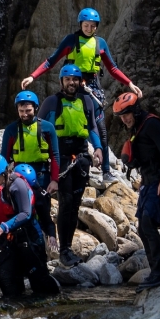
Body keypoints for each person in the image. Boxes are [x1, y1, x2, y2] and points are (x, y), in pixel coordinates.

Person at [21, 8, 142, 177]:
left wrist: (129, 83)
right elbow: (51, 61)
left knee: (100, 128)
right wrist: (33, 77)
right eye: (86, 25)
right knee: (69, 126)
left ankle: (106, 170)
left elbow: (112, 68)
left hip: (93, 87)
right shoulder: (71, 40)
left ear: (96, 27)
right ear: (80, 25)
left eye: (92, 26)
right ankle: (55, 163)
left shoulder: (100, 43)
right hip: (73, 85)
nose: (89, 28)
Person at [38, 65, 102, 268]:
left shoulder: (86, 101)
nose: (72, 83)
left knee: (75, 204)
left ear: (80, 81)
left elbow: (92, 127)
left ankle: (67, 247)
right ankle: (63, 251)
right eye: (68, 79)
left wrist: (98, 148)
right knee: (65, 204)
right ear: (61, 82)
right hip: (61, 158)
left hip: (82, 157)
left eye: (75, 79)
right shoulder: (52, 102)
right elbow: (39, 129)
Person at [0, 153, 59, 299]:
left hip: (29, 236)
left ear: (4, 173)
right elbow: (2, 205)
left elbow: (26, 213)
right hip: (10, 239)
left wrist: (3, 227)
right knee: (9, 287)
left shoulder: (17, 185)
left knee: (40, 286)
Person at [113, 91, 160, 293]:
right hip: (148, 181)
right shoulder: (136, 127)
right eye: (122, 116)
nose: (124, 119)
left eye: (127, 114)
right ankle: (155, 271)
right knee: (141, 228)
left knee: (148, 223)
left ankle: (159, 273)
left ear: (136, 110)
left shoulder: (151, 124)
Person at [0, 90, 59, 252]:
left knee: (43, 208)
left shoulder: (47, 128)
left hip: (41, 175)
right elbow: (4, 158)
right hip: (19, 177)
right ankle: (24, 245)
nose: (25, 114)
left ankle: (47, 241)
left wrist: (54, 179)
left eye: (28, 111)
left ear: (35, 108)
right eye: (21, 111)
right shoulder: (11, 130)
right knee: (22, 211)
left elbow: (54, 155)